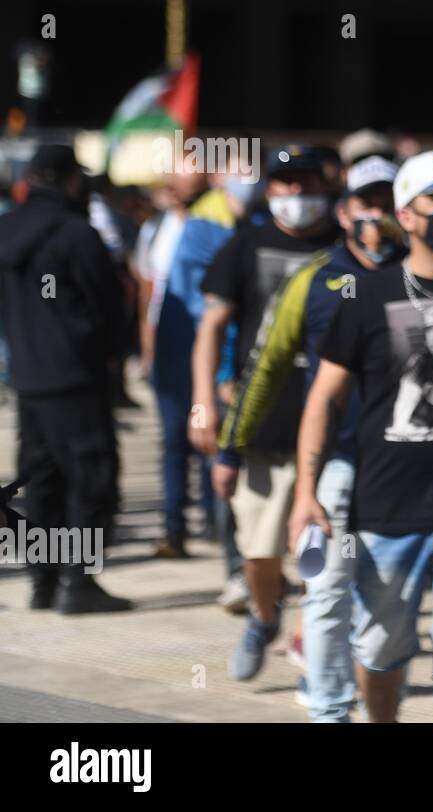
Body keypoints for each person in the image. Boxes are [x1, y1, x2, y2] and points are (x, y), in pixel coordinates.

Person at [290, 151, 433, 723]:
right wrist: (305, 493)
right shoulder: (366, 296)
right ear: (406, 217)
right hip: (385, 516)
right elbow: (325, 398)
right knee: (382, 655)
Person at [221, 155, 401, 720]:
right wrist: (230, 445)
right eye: (366, 204)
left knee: (385, 606)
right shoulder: (315, 279)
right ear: (345, 211)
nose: (378, 216)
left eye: (388, 205)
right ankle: (324, 701)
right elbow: (265, 364)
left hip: (403, 468)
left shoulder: (428, 277)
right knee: (319, 589)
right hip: (331, 464)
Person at [190, 145, 340, 680]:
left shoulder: (347, 249)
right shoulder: (245, 245)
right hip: (261, 423)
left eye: (306, 183)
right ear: (269, 190)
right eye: (284, 184)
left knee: (324, 556)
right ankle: (263, 613)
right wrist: (204, 401)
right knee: (259, 551)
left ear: (327, 186)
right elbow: (210, 326)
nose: (296, 195)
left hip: (334, 431)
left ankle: (312, 641)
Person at [0, 144, 130, 613]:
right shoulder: (77, 234)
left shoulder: (7, 227)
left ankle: (43, 582)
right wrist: (111, 352)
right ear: (68, 179)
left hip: (29, 380)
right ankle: (79, 583)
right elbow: (108, 305)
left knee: (43, 483)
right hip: (76, 379)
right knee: (91, 481)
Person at [156, 154, 258, 610]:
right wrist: (210, 385)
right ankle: (236, 566)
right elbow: (204, 316)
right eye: (238, 170)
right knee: (213, 456)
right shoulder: (203, 230)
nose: (247, 180)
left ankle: (248, 562)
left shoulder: (254, 224)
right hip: (205, 368)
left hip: (243, 367)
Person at [138, 165, 218, 558]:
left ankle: (213, 519)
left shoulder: (216, 225)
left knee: (207, 434)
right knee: (172, 440)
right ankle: (174, 528)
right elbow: (147, 287)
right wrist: (146, 343)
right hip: (168, 344)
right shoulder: (156, 228)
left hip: (206, 343)